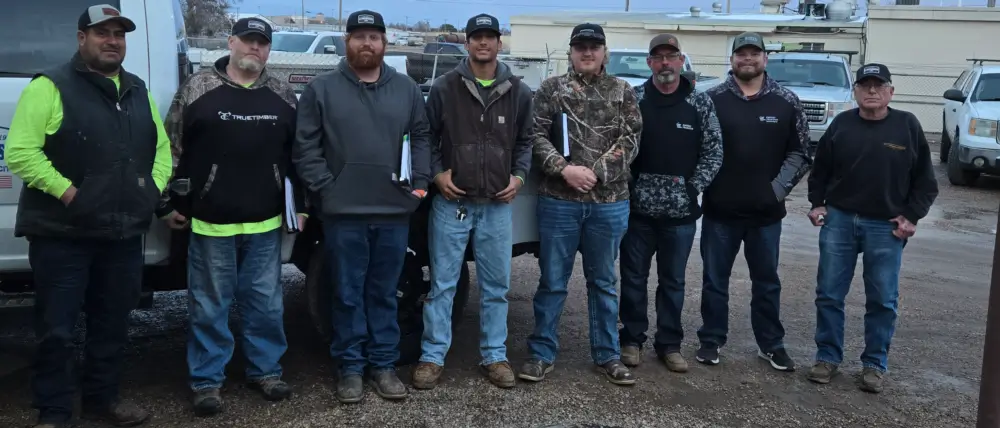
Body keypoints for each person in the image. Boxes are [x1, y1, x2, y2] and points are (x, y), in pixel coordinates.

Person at [5, 4, 170, 427]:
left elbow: (162, 150)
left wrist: (149, 191)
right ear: (82, 38)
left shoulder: (138, 90)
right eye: (102, 33)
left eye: (119, 34)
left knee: (112, 325)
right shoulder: (50, 86)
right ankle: (55, 411)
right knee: (56, 330)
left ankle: (102, 400)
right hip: (63, 233)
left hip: (121, 233)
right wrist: (69, 194)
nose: (112, 41)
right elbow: (21, 152)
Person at [157, 17, 305, 416]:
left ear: (269, 49)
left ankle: (266, 371)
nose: (254, 49)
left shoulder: (283, 94)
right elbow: (169, 148)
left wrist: (301, 205)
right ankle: (207, 380)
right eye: (248, 41)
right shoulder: (198, 88)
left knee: (266, 305)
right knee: (209, 306)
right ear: (231, 42)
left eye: (262, 43)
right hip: (210, 223)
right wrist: (166, 203)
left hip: (265, 224)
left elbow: (298, 159)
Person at [293, 9, 431, 404]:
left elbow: (421, 136)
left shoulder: (406, 89)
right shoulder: (322, 89)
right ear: (346, 41)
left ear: (384, 44)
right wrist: (326, 189)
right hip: (343, 214)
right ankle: (350, 368)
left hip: (393, 212)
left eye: (374, 36)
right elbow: (306, 146)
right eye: (359, 36)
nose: (366, 43)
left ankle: (384, 366)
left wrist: (419, 184)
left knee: (385, 292)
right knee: (347, 292)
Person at [412, 13, 533, 390]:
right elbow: (426, 136)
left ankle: (495, 356)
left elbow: (527, 141)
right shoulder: (446, 87)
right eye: (476, 37)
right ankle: (432, 357)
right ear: (467, 43)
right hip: (452, 203)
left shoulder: (518, 90)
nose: (483, 43)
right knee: (442, 285)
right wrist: (437, 174)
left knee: (497, 287)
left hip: (497, 206)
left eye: (490, 37)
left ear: (499, 43)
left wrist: (518, 177)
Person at [518, 23, 642, 386]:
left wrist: (597, 173)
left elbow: (631, 139)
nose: (587, 52)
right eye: (580, 47)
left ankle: (608, 355)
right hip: (559, 202)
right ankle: (542, 353)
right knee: (553, 281)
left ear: (605, 51)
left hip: (608, 203)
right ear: (571, 51)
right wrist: (564, 170)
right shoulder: (551, 89)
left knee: (603, 281)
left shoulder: (623, 92)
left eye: (594, 46)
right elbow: (534, 136)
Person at [805, 63, 938, 393]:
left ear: (891, 91)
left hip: (886, 226)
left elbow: (926, 182)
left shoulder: (907, 126)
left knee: (882, 299)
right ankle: (827, 358)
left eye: (879, 85)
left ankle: (874, 365)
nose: (872, 91)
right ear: (856, 92)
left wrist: (911, 216)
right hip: (839, 221)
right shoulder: (841, 125)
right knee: (829, 295)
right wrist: (817, 203)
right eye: (865, 85)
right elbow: (819, 170)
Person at [697, 32, 811, 372]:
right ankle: (711, 340)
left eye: (754, 53)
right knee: (715, 281)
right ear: (732, 59)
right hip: (720, 212)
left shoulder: (786, 101)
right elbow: (698, 149)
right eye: (741, 53)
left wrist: (776, 190)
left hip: (766, 215)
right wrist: (704, 186)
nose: (748, 59)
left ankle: (771, 344)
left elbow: (801, 152)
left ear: (765, 58)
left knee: (766, 282)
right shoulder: (712, 99)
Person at [618, 34, 723, 372]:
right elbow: (620, 149)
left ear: (681, 61)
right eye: (658, 57)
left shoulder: (700, 103)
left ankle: (669, 344)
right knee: (633, 278)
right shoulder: (634, 100)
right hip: (638, 213)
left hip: (681, 216)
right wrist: (631, 187)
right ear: (649, 63)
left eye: (671, 56)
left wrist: (693, 188)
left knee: (673, 281)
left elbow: (713, 152)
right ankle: (631, 340)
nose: (665, 63)